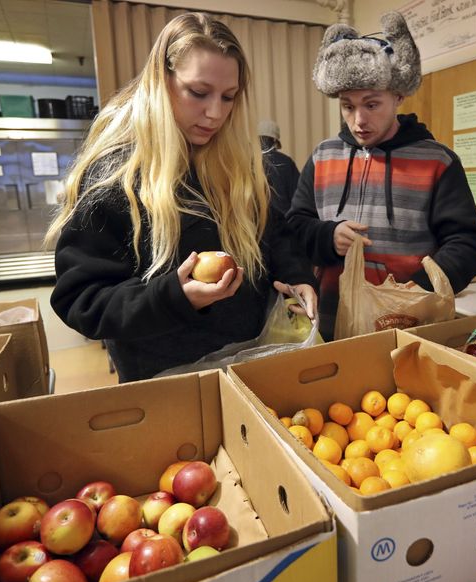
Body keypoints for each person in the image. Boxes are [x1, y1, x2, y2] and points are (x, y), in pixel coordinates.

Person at [47, 13, 317, 382]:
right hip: (168, 381)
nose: (215, 114)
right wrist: (175, 296)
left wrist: (296, 276)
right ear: (162, 81)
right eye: (198, 93)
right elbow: (83, 301)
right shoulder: (114, 179)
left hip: (251, 362)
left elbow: (274, 233)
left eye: (229, 97)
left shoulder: (238, 165)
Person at [286, 12, 476, 342]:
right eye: (348, 107)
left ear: (398, 96)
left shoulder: (437, 161)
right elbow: (294, 226)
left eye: (372, 104)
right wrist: (328, 236)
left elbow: (468, 243)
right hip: (329, 324)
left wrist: (420, 290)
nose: (358, 120)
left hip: (408, 326)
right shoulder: (322, 157)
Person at [258, 120, 301, 215]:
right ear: (275, 141)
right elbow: (298, 195)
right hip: (284, 221)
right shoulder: (286, 162)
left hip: (257, 223)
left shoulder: (248, 163)